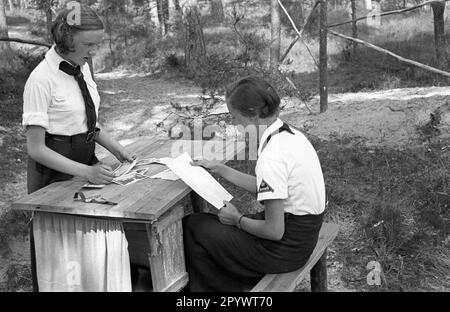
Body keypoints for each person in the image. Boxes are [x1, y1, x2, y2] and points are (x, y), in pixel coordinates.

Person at [23, 4, 133, 291]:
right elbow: (35, 149)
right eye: (89, 44)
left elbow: (87, 124)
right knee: (58, 248)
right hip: (52, 173)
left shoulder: (81, 68)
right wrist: (86, 171)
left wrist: (118, 150)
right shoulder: (40, 80)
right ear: (67, 38)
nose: (94, 51)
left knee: (88, 243)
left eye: (97, 43)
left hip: (84, 164)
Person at [183, 76, 326, 292]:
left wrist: (237, 220)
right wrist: (221, 169)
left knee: (194, 227)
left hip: (285, 249)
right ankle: (229, 284)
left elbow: (274, 231)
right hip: (303, 236)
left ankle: (220, 291)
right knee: (205, 223)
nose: (235, 124)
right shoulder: (290, 135)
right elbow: (270, 187)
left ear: (252, 114)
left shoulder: (272, 157)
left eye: (235, 117)